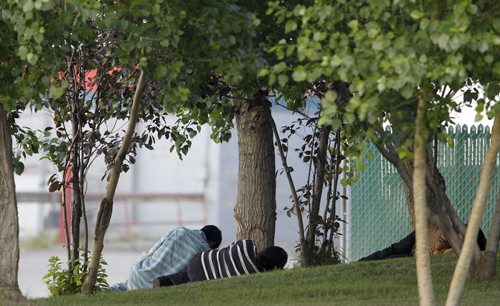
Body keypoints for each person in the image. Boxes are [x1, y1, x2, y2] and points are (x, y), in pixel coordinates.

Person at [110, 225, 222, 291]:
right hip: (155, 285)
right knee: (129, 287)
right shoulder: (204, 252)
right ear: (213, 242)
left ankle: (98, 292)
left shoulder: (179, 231)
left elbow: (152, 251)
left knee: (125, 286)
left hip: (138, 272)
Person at [152, 239, 288, 287]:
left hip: (200, 259)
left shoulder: (246, 245)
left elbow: (229, 247)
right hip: (202, 277)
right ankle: (166, 281)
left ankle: (163, 281)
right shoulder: (254, 275)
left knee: (186, 274)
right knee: (188, 277)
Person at [358, 225, 487, 261]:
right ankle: (361, 263)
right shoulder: (453, 234)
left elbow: (437, 252)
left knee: (391, 259)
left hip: (418, 253)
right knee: (390, 250)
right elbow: (438, 248)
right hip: (422, 235)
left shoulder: (458, 250)